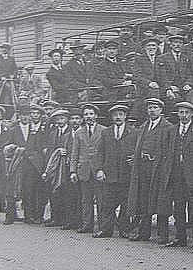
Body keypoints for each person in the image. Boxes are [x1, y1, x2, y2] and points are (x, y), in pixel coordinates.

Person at [153, 101, 193, 248]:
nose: (183, 116)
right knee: (179, 207)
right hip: (176, 175)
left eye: (186, 113)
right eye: (181, 112)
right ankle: (180, 237)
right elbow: (166, 152)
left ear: (192, 114)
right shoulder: (171, 131)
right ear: (177, 114)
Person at [127, 98, 172, 242]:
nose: (152, 110)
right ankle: (143, 232)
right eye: (149, 108)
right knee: (143, 200)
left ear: (161, 110)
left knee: (161, 201)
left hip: (159, 169)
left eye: (155, 107)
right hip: (143, 168)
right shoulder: (144, 126)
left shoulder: (168, 128)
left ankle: (163, 235)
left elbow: (170, 151)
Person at [94, 103, 137, 238]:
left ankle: (124, 229)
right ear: (112, 117)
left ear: (125, 116)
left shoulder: (133, 133)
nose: (118, 117)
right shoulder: (106, 132)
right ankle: (106, 229)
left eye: (121, 114)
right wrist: (100, 169)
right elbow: (100, 152)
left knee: (125, 203)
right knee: (107, 203)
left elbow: (138, 151)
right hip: (110, 174)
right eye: (115, 115)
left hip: (126, 174)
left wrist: (134, 160)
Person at [70, 103, 106, 234]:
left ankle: (103, 226)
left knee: (101, 199)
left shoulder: (104, 130)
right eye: (86, 114)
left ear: (96, 116)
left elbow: (106, 152)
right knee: (86, 200)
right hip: (83, 171)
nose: (88, 116)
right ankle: (87, 225)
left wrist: (102, 169)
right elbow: (74, 153)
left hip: (98, 171)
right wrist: (73, 171)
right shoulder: (79, 132)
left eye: (91, 114)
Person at [42, 109, 73, 228]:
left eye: (62, 118)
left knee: (66, 193)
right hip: (54, 167)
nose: (60, 121)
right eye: (57, 119)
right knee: (54, 193)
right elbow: (49, 151)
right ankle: (56, 218)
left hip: (66, 167)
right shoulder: (52, 133)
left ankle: (66, 219)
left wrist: (67, 153)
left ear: (67, 119)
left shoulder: (71, 132)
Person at [2, 104, 31, 225]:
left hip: (30, 163)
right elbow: (6, 146)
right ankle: (10, 216)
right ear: (19, 116)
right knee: (11, 189)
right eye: (23, 115)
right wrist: (13, 148)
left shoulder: (35, 129)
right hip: (15, 163)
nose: (25, 117)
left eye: (27, 115)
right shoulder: (13, 130)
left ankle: (29, 216)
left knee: (28, 189)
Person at [21, 104, 48, 224]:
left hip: (42, 163)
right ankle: (28, 215)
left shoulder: (46, 127)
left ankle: (39, 215)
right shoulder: (27, 127)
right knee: (28, 190)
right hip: (28, 164)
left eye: (37, 113)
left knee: (41, 190)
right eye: (32, 113)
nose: (34, 116)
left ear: (41, 115)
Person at [157, 34, 193, 106]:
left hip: (183, 86)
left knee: (191, 94)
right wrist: (169, 88)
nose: (178, 45)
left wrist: (188, 84)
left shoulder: (186, 58)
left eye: (180, 43)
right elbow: (161, 76)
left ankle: (188, 114)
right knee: (175, 98)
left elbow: (190, 74)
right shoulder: (162, 58)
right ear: (170, 45)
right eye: (175, 42)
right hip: (168, 87)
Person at [131, 37, 161, 119]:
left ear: (157, 47)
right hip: (144, 87)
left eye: (154, 45)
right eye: (149, 46)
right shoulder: (139, 59)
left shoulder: (161, 58)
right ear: (145, 48)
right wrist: (149, 83)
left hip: (160, 86)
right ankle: (152, 115)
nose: (151, 48)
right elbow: (136, 76)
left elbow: (165, 75)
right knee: (152, 92)